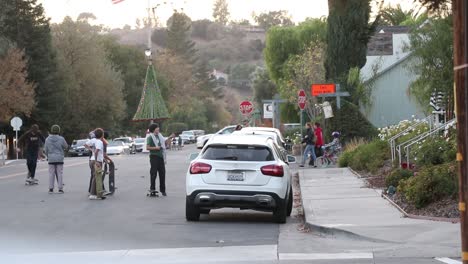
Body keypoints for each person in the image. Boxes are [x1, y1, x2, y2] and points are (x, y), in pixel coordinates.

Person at [146, 123, 173, 196]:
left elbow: (164, 143)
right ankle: (152, 189)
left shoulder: (160, 136)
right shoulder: (150, 137)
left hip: (161, 157)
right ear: (153, 129)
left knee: (162, 173)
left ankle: (163, 190)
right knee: (153, 173)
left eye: (158, 127)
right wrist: (156, 148)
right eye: (157, 128)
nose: (158, 129)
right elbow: (147, 147)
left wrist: (170, 138)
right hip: (154, 157)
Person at [44, 125, 68, 194]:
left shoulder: (47, 139)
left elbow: (45, 150)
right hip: (59, 158)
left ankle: (51, 189)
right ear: (58, 131)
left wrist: (48, 155)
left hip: (51, 158)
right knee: (59, 173)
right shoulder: (61, 139)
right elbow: (66, 146)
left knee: (51, 173)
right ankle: (60, 189)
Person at [89, 128, 106, 200]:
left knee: (95, 177)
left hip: (92, 160)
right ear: (102, 135)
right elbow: (96, 152)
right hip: (97, 161)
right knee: (96, 178)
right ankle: (93, 194)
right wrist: (96, 161)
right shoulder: (99, 142)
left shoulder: (93, 140)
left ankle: (97, 193)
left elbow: (85, 145)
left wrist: (91, 150)